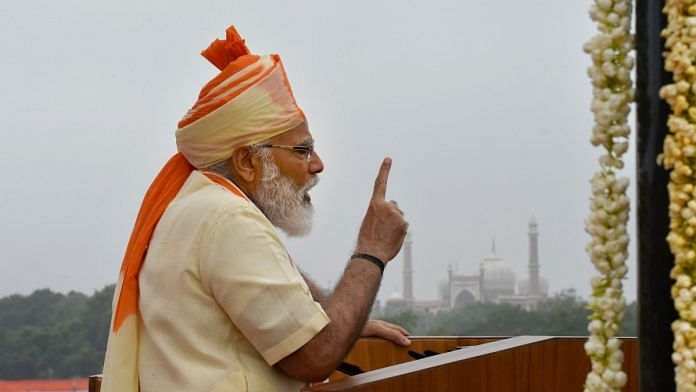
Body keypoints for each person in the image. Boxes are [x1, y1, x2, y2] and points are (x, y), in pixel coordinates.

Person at [101, 26, 410, 392]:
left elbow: (271, 294)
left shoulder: (194, 205)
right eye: (302, 150)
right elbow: (314, 356)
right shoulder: (229, 220)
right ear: (247, 161)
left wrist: (339, 316)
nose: (318, 165)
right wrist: (371, 251)